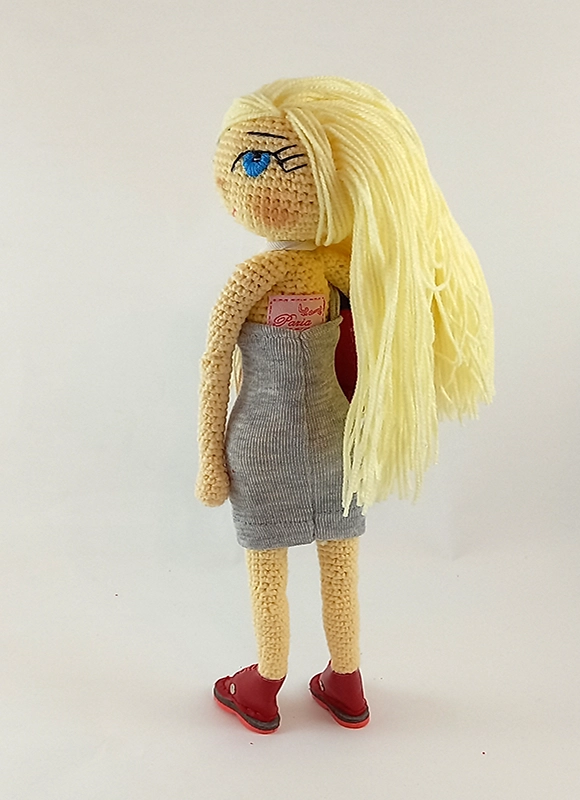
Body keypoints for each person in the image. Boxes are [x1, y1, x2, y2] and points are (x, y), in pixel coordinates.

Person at [196, 77, 494, 734]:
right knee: (339, 568)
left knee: (269, 571)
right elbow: (383, 336)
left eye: (264, 161)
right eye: (245, 161)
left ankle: (264, 683)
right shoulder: (346, 274)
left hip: (264, 445)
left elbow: (215, 365)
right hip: (334, 441)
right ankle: (346, 681)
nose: (248, 181)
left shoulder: (253, 278)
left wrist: (210, 460)